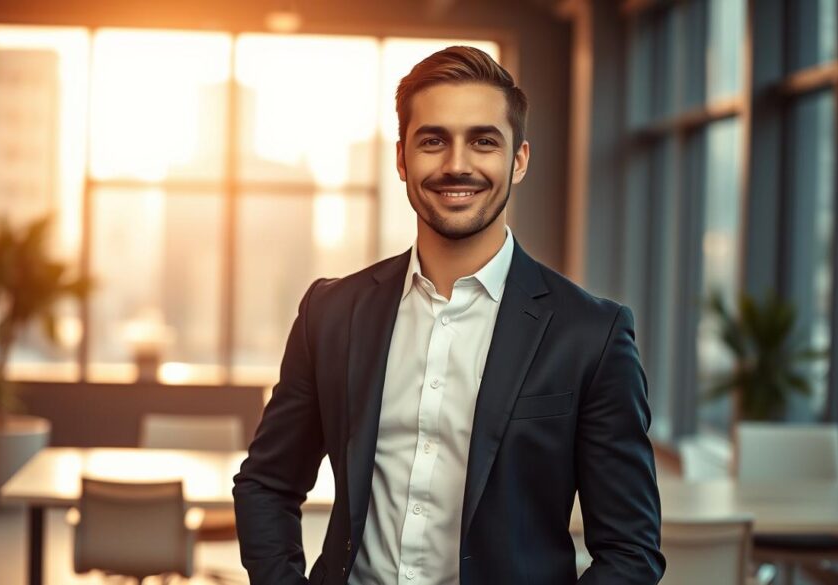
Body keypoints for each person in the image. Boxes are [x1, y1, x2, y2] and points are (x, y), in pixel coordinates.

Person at [233, 45, 665, 585]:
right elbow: (267, 484)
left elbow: (630, 551)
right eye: (433, 140)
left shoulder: (591, 335)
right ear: (401, 159)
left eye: (483, 141)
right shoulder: (332, 313)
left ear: (520, 159)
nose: (457, 163)